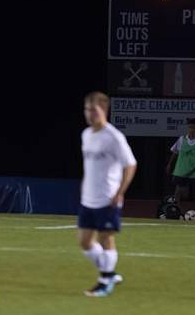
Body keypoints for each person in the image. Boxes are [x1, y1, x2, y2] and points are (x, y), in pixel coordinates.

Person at [78, 91, 137, 297]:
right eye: (87, 109)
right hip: (88, 199)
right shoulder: (86, 135)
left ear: (104, 110)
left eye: (93, 109)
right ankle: (109, 273)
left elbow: (130, 165)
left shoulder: (114, 137)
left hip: (108, 198)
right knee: (84, 242)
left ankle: (105, 280)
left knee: (106, 238)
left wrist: (120, 192)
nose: (89, 113)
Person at [166, 117, 195, 221]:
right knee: (178, 192)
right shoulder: (181, 139)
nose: (191, 129)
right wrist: (169, 165)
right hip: (181, 171)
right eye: (190, 127)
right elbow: (174, 152)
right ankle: (178, 212)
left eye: (194, 128)